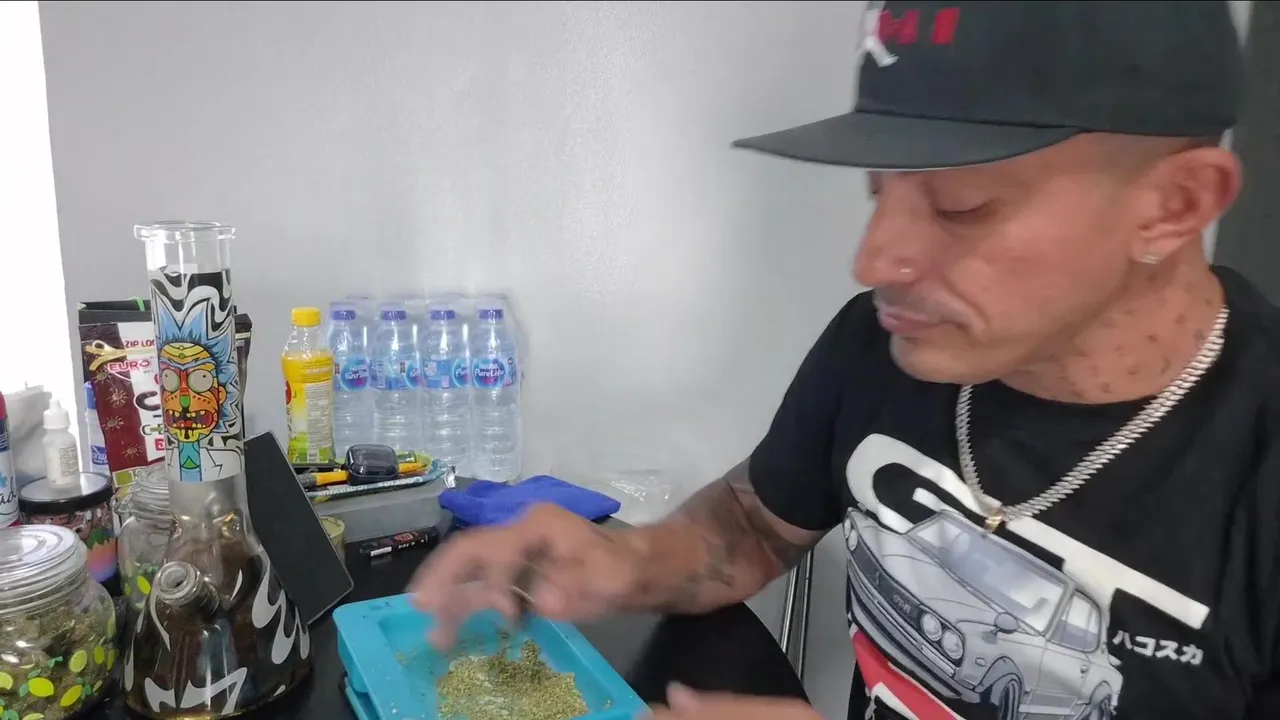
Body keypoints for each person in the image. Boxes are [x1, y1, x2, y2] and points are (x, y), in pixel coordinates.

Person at [412, 1, 1279, 718]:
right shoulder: (885, 343)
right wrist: (624, 566)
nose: (873, 261)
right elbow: (753, 525)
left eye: (960, 206)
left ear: (1174, 204)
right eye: (877, 193)